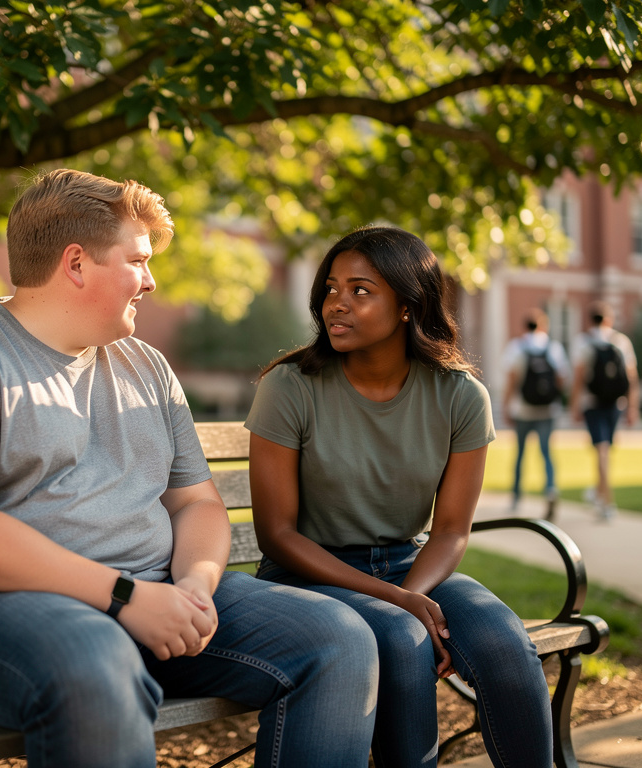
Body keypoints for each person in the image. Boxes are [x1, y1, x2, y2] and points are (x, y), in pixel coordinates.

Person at [0, 169, 380, 768]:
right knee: (95, 658)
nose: (152, 280)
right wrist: (124, 597)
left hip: (144, 596)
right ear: (77, 263)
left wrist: (192, 587)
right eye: (138, 260)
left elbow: (196, 503)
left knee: (338, 640)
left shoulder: (146, 367)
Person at [245, 226, 552, 768]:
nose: (336, 304)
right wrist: (399, 605)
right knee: (404, 641)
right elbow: (278, 535)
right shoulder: (290, 386)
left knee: (506, 645)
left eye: (360, 291)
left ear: (409, 306)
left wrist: (410, 594)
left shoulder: (459, 395)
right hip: (308, 574)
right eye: (332, 288)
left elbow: (452, 528)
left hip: (413, 568)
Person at [569, 300, 639, 521]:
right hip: (615, 404)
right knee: (605, 450)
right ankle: (600, 492)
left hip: (592, 403)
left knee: (601, 450)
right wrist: (633, 407)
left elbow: (579, 378)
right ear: (609, 319)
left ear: (590, 319)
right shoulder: (621, 341)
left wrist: (574, 405)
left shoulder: (583, 342)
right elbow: (632, 377)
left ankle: (606, 501)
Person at [501, 308, 570, 519]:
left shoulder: (517, 347)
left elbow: (512, 379)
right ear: (542, 325)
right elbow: (561, 378)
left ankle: (516, 496)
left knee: (520, 454)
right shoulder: (553, 347)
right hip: (547, 410)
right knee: (546, 453)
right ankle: (550, 489)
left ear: (525, 326)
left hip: (523, 409)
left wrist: (506, 406)